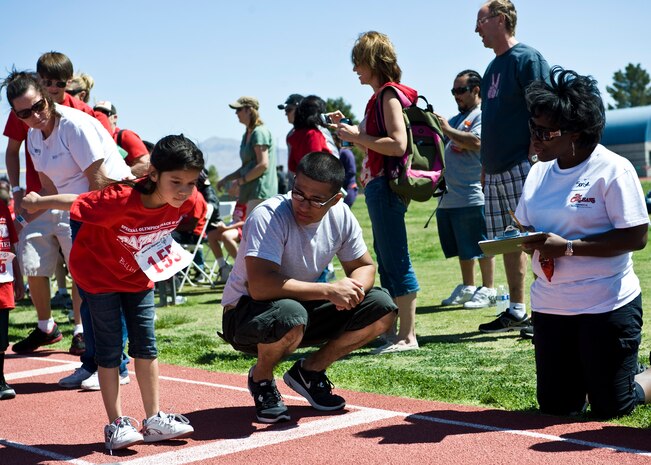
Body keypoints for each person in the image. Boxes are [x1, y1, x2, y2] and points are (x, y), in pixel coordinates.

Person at [22, 134, 199, 452]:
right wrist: (38, 202)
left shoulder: (189, 199)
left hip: (138, 278)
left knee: (147, 346)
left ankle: (154, 418)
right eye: (176, 181)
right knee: (108, 350)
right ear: (154, 175)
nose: (184, 190)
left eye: (191, 182)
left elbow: (186, 221)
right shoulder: (118, 199)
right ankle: (116, 423)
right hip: (98, 277)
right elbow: (75, 203)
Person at [220, 152, 397, 423]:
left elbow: (364, 266)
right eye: (298, 193)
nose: (303, 204)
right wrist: (329, 290)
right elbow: (261, 286)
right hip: (244, 315)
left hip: (297, 310)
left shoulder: (341, 214)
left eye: (316, 200)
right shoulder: (268, 215)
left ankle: (310, 371)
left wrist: (353, 289)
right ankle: (262, 378)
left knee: (382, 306)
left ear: (336, 199)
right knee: (291, 314)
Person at [515, 66, 651, 418]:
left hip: (605, 304)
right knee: (557, 408)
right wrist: (525, 240)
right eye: (533, 128)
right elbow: (527, 225)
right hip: (551, 306)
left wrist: (570, 248)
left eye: (544, 132)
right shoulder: (539, 171)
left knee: (612, 406)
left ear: (575, 132)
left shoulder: (613, 169)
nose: (535, 139)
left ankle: (639, 378)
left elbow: (636, 237)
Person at [2, 71, 132, 391]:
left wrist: (41, 201)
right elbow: (49, 189)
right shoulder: (33, 136)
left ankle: (119, 366)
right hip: (80, 213)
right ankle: (92, 364)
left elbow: (99, 187)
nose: (34, 116)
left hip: (108, 212)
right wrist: (19, 224)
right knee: (86, 293)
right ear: (15, 115)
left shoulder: (73, 126)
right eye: (23, 113)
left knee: (103, 294)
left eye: (38, 106)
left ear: (47, 96)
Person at [333, 31, 419, 354]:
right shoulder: (381, 96)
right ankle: (396, 332)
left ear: (372, 61)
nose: (355, 68)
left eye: (359, 61)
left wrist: (358, 138)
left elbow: (398, 144)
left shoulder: (387, 95)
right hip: (380, 185)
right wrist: (355, 132)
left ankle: (407, 336)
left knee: (396, 258)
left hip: (386, 184)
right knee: (386, 257)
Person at [474, 0, 550, 332]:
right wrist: (484, 164)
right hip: (495, 168)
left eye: (480, 21)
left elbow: (544, 105)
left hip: (523, 163)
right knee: (508, 241)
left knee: (534, 237)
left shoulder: (528, 59)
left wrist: (537, 148)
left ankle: (545, 310)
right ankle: (517, 309)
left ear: (500, 20)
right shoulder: (492, 67)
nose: (476, 29)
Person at [434, 70, 496, 309]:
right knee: (462, 246)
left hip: (472, 195)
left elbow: (477, 142)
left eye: (460, 90)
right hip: (451, 197)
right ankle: (469, 286)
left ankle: (489, 289)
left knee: (481, 245)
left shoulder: (481, 116)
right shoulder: (459, 118)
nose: (456, 95)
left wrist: (447, 129)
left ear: (476, 90)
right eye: (454, 91)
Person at [218, 97, 277, 213]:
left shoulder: (259, 132)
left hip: (260, 193)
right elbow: (247, 166)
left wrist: (239, 182)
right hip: (251, 193)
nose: (236, 113)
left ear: (249, 110)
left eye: (239, 109)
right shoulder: (247, 134)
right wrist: (226, 179)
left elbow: (263, 165)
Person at [0, 195, 25, 400]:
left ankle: (0, 379)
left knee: (1, 338)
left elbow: (11, 244)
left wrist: (18, 275)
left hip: (3, 281)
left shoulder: (2, 206)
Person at [94, 101, 150, 177]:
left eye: (105, 113)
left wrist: (120, 172)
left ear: (115, 117)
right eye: (95, 114)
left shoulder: (126, 135)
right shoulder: (96, 138)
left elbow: (145, 165)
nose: (100, 116)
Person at [287, 95, 336, 178]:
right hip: (319, 183)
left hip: (302, 182)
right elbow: (314, 163)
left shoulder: (294, 136)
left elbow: (292, 165)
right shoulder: (313, 135)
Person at [334, 135, 358, 207]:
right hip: (342, 188)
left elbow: (352, 171)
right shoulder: (338, 152)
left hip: (348, 188)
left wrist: (338, 181)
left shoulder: (345, 152)